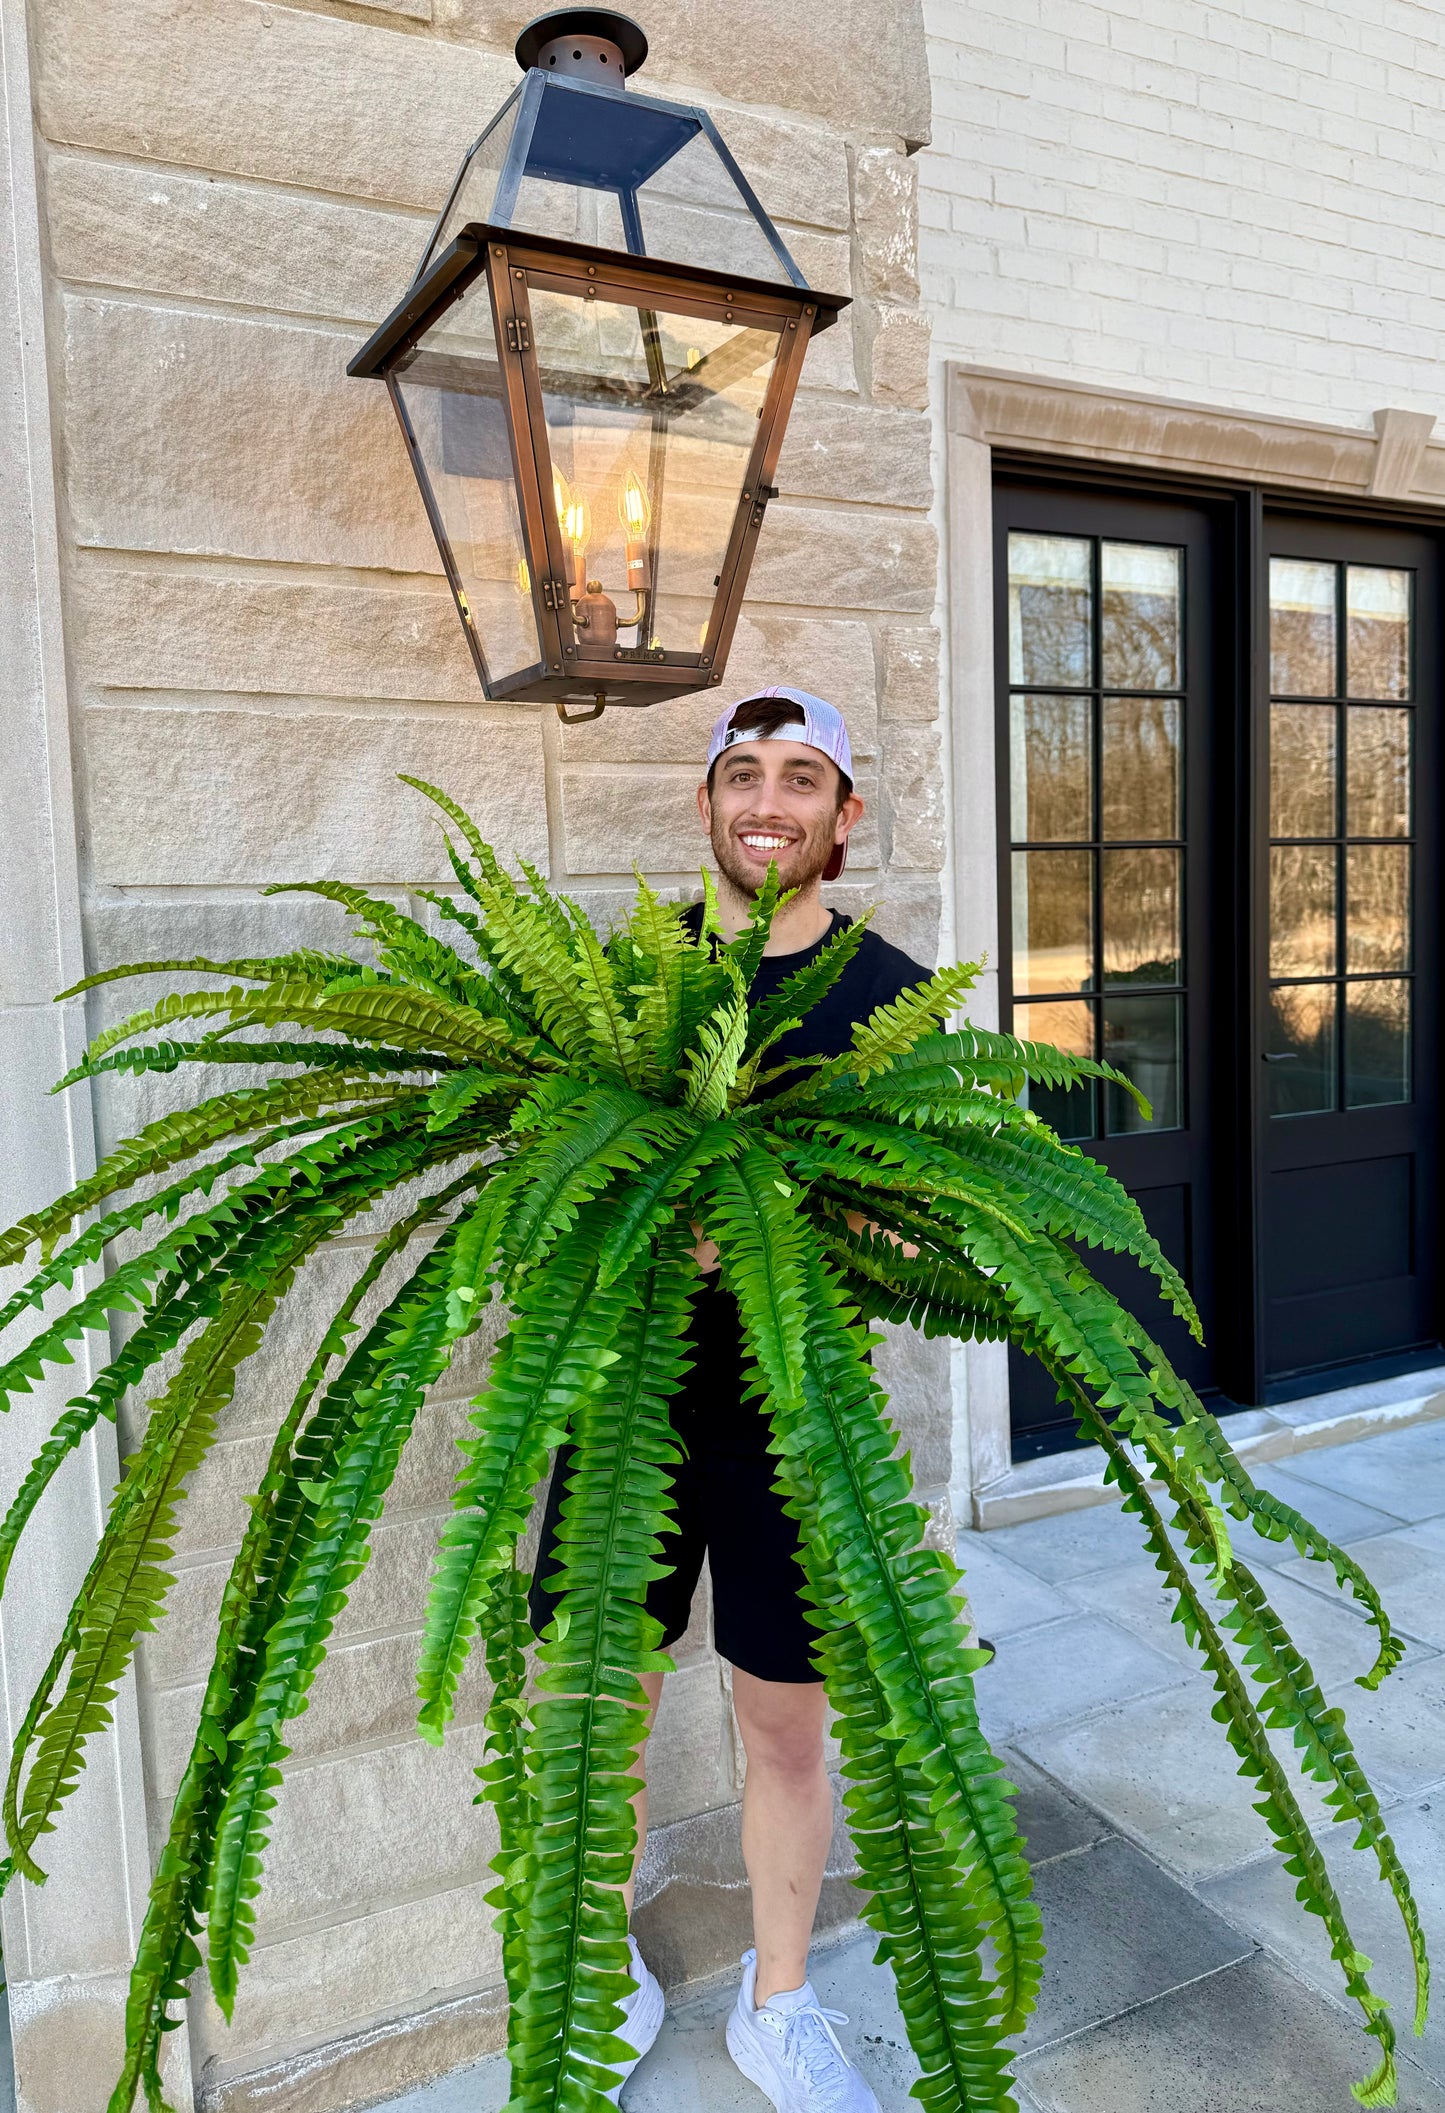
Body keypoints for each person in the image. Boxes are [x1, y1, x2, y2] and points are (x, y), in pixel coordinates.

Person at [530, 689, 989, 2111]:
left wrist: (792, 1225)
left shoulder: (889, 997)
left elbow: (934, 1229)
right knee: (599, 1699)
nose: (767, 802)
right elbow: (544, 1185)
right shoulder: (626, 983)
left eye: (802, 777)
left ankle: (775, 1998)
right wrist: (658, 1219)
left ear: (842, 815)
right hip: (630, 1412)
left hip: (802, 1425)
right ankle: (592, 1969)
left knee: (786, 1722)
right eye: (743, 774)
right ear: (707, 804)